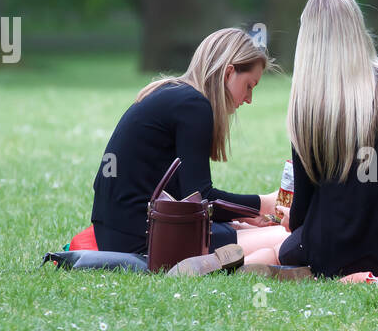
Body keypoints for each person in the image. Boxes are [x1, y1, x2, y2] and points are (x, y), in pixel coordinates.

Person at [270, 0, 378, 278]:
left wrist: (290, 220)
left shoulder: (309, 103)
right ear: (358, 28)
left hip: (338, 254)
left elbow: (303, 209)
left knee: (282, 248)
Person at [91, 28, 287, 262]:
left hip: (115, 232)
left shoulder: (174, 94)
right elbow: (201, 198)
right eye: (249, 86)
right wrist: (262, 204)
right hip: (144, 240)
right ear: (229, 73)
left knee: (247, 229)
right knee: (284, 236)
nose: (249, 99)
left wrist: (244, 215)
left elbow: (187, 198)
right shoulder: (194, 107)